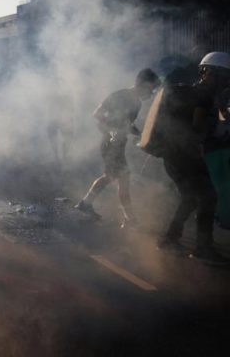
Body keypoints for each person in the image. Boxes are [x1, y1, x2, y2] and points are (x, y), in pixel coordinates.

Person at [155, 52, 230, 263]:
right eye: (221, 75)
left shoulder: (191, 92)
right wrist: (217, 129)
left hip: (174, 155)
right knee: (208, 197)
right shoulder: (203, 96)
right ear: (206, 72)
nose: (223, 81)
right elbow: (198, 126)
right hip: (184, 157)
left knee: (190, 198)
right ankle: (202, 248)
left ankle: (169, 239)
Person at [75, 69, 161, 227]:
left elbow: (127, 124)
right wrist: (110, 130)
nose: (151, 94)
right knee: (122, 179)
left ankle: (86, 203)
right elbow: (97, 114)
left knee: (111, 177)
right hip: (110, 144)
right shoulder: (120, 96)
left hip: (118, 145)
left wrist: (140, 134)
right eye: (151, 89)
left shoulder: (137, 103)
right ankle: (129, 219)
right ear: (141, 85)